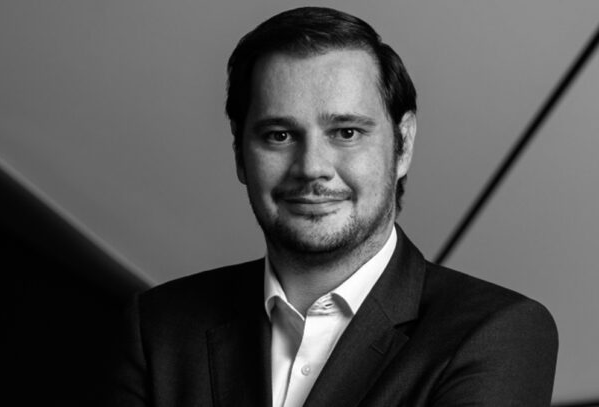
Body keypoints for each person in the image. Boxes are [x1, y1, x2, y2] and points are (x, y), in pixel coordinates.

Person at [109, 7, 558, 407]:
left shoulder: (495, 333)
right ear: (239, 154)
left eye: (346, 133)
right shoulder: (159, 328)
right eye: (279, 136)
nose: (312, 168)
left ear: (403, 145)